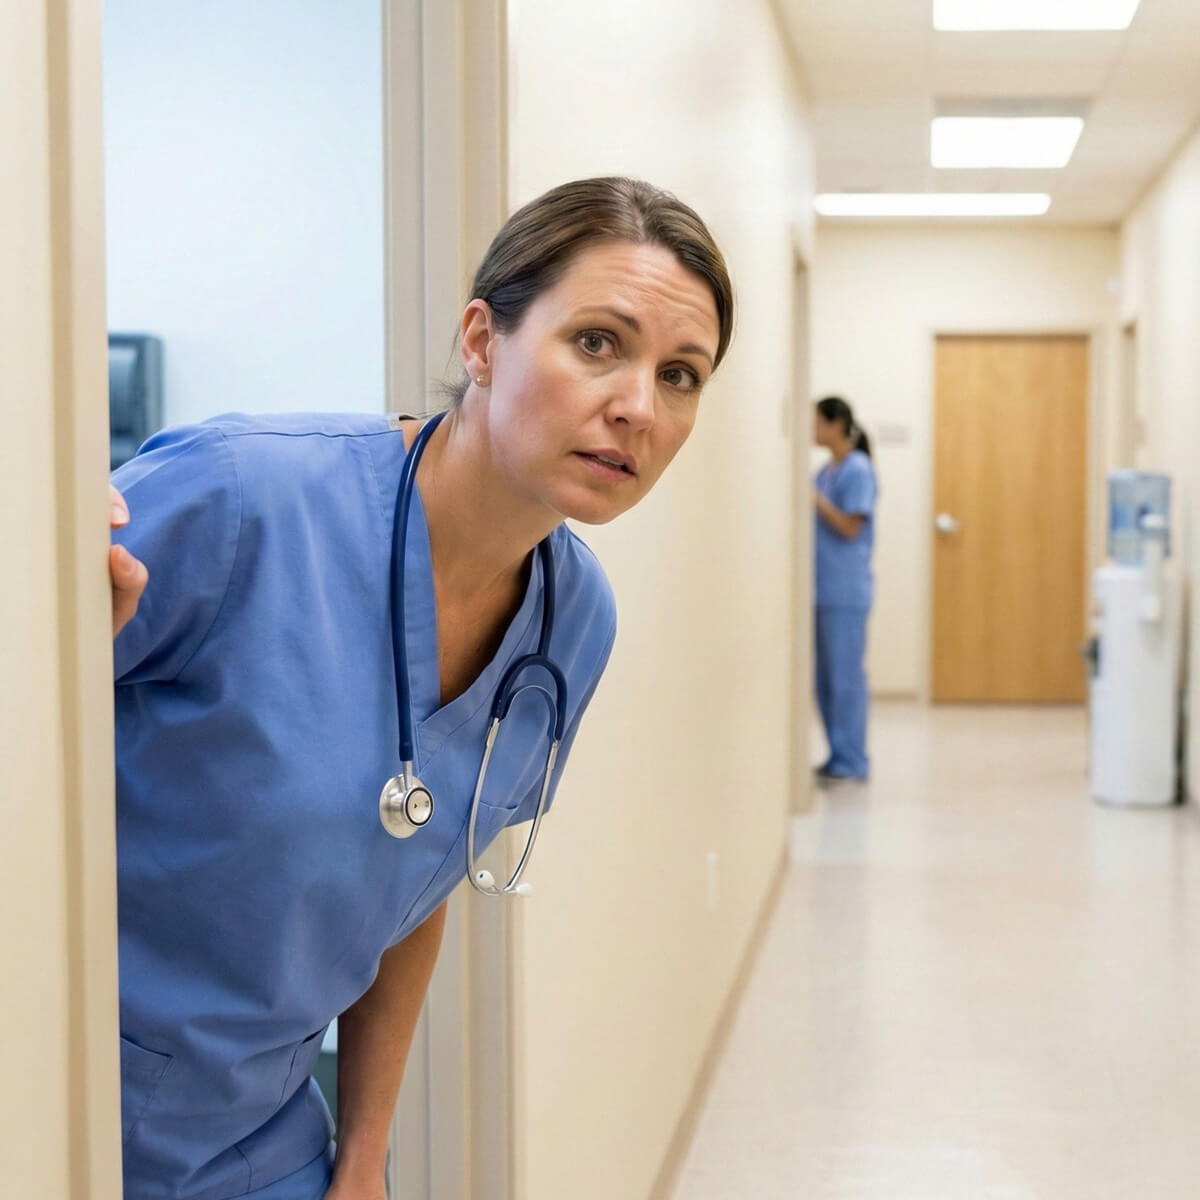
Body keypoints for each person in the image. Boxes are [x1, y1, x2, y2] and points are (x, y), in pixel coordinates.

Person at [107, 176, 733, 1200]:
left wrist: (361, 1158)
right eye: (596, 343)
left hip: (262, 1141)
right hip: (57, 1096)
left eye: (682, 375)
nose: (636, 406)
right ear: (481, 342)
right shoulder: (242, 498)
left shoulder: (572, 624)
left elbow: (415, 869)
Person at [812, 395, 877, 784]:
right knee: (824, 680)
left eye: (818, 422)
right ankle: (838, 755)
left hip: (846, 591)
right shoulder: (825, 472)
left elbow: (851, 527)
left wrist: (815, 501)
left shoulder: (858, 469)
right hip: (822, 589)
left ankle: (853, 760)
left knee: (845, 680)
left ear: (837, 425)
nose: (813, 430)